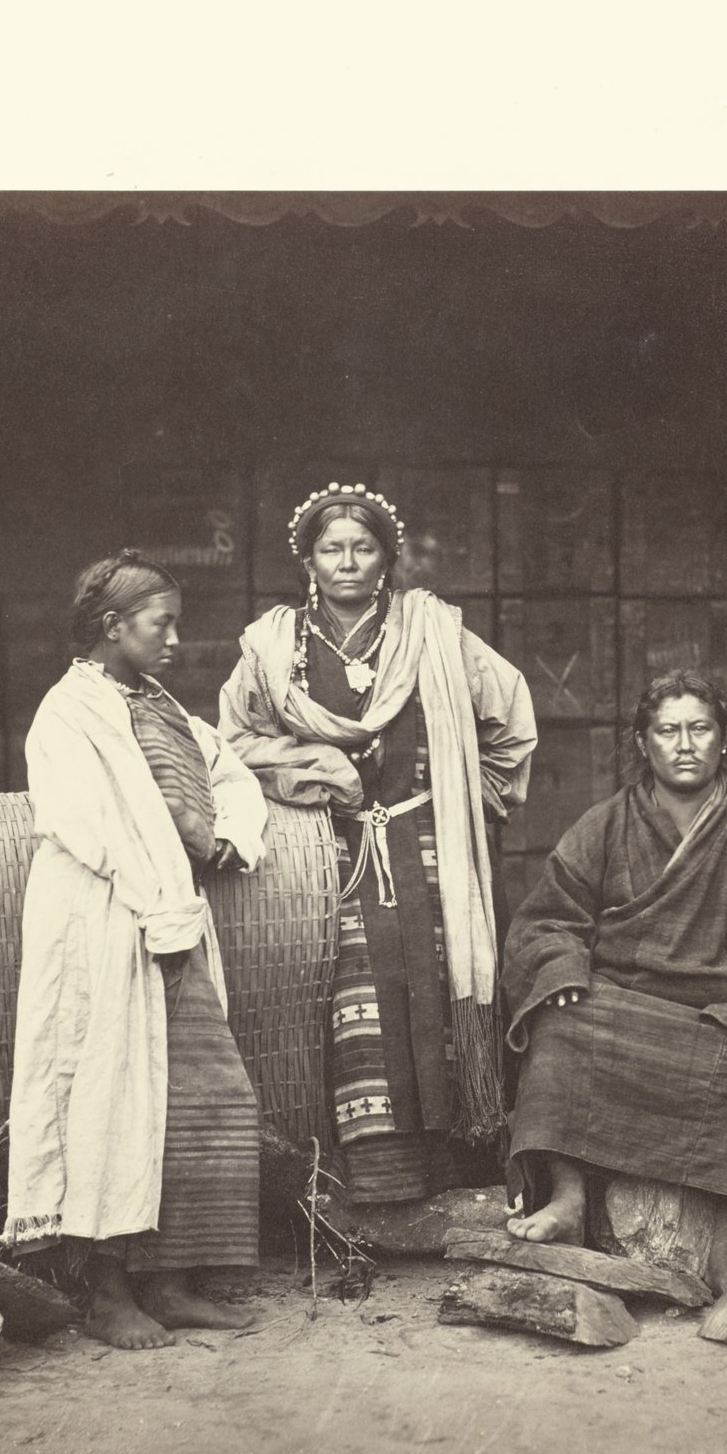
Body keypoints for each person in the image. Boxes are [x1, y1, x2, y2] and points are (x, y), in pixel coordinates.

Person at [219, 483, 537, 1203]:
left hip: (431, 847)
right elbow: (235, 744)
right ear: (308, 562)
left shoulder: (433, 631)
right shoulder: (274, 647)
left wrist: (469, 798)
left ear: (386, 559)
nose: (347, 563)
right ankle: (370, 1181)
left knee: (441, 989)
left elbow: (510, 717)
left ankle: (460, 1175)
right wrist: (313, 769)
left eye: (363, 549)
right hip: (329, 854)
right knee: (350, 999)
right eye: (331, 550)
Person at [0, 550, 269, 1349]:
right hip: (102, 917)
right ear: (113, 627)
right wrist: (160, 903)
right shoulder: (67, 713)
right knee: (107, 1099)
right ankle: (107, 1292)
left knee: (202, 1097)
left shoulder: (164, 708)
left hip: (169, 917)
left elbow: (232, 778)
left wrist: (227, 837)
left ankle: (169, 1281)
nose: (176, 640)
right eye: (163, 624)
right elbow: (94, 827)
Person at [498, 669, 727, 1259]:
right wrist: (560, 972)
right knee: (556, 1029)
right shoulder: (606, 824)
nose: (685, 745)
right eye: (667, 731)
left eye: (700, 729)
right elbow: (548, 919)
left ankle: (725, 1248)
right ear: (643, 743)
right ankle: (569, 1198)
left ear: (724, 739)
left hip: (719, 1020)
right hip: (618, 1012)